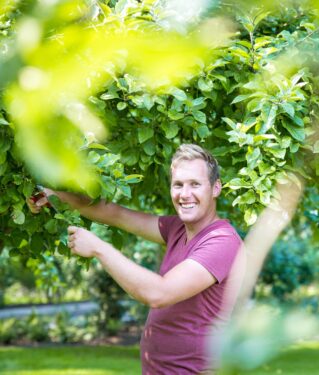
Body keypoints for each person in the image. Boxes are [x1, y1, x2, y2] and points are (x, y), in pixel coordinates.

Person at [28, 143, 245, 374]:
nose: (184, 194)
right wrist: (52, 195)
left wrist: (99, 248)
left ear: (215, 188)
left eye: (195, 184)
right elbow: (116, 213)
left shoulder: (222, 242)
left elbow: (159, 294)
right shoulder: (177, 229)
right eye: (178, 185)